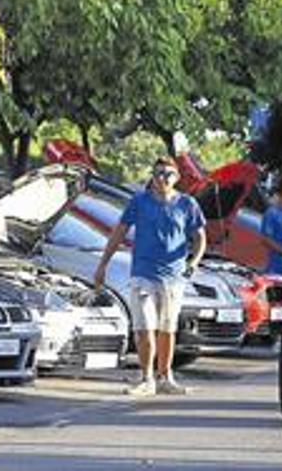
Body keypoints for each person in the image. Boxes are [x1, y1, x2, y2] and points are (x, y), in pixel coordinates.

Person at [93, 157, 207, 397]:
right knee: (144, 326)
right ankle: (146, 378)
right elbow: (119, 232)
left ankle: (165, 376)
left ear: (177, 177)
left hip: (174, 277)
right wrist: (102, 264)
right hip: (143, 274)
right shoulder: (139, 201)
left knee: (167, 329)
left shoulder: (187, 204)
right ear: (152, 177)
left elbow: (200, 237)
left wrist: (193, 262)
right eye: (157, 173)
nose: (162, 178)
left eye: (168, 174)